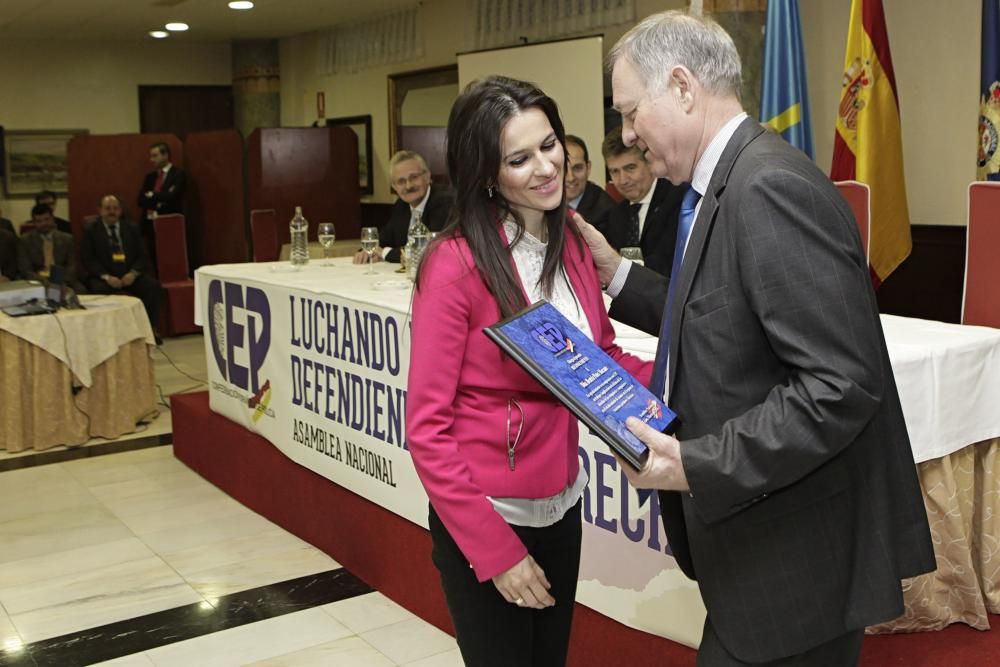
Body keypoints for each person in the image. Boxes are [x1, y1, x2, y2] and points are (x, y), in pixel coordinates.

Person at [578, 11, 934, 665]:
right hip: (764, 557)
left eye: (631, 113)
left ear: (682, 87)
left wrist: (695, 463)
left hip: (797, 567)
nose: (626, 134)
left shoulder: (767, 187)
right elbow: (717, 318)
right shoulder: (722, 185)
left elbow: (838, 387)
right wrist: (615, 273)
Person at [406, 75, 651, 666]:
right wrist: (496, 551)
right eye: (520, 159)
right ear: (488, 173)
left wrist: (690, 372)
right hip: (490, 518)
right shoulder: (454, 263)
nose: (546, 168)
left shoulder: (569, 244)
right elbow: (426, 430)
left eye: (550, 146)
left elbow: (601, 361)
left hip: (563, 506)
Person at [596, 126, 684, 278]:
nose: (622, 180)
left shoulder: (677, 200)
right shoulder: (616, 215)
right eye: (615, 171)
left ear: (649, 163)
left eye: (630, 168)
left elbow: (670, 264)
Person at [351, 150, 454, 264]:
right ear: (394, 187)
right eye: (401, 181)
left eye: (414, 177)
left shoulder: (445, 202)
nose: (408, 185)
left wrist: (384, 253)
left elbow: (425, 250)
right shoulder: (401, 206)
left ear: (428, 176)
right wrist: (366, 252)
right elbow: (383, 239)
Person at [82, 195, 162, 340]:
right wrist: (106, 277)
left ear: (120, 211)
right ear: (99, 210)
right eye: (107, 208)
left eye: (115, 208)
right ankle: (107, 334)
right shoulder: (91, 230)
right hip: (104, 277)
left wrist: (133, 273)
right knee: (97, 290)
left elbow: (143, 255)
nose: (112, 212)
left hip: (129, 275)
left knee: (152, 286)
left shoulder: (132, 228)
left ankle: (150, 329)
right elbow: (88, 259)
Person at [137, 141, 187, 267]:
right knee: (154, 258)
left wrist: (152, 195)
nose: (151, 159)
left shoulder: (177, 174)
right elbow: (140, 200)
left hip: (169, 223)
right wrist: (159, 199)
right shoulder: (150, 177)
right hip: (149, 223)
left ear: (165, 155)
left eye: (155, 156)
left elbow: (172, 197)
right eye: (151, 156)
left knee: (171, 258)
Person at [17, 203, 83, 292]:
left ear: (53, 219)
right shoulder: (25, 240)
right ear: (33, 222)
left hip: (63, 280)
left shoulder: (67, 239)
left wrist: (61, 282)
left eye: (47, 219)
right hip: (38, 281)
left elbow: (72, 266)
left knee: (81, 290)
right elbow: (26, 270)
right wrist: (45, 283)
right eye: (39, 221)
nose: (44, 223)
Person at [564, 134, 615, 228]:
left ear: (588, 168)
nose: (570, 178)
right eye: (563, 169)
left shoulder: (606, 212)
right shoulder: (545, 202)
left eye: (577, 168)